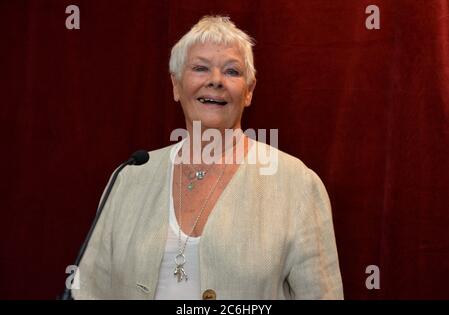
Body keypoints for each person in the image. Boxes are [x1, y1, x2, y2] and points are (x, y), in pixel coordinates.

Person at [72, 16, 343, 300]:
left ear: (249, 91)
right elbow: (89, 290)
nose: (215, 81)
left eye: (232, 71)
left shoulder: (296, 183)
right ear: (176, 85)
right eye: (200, 68)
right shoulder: (129, 177)